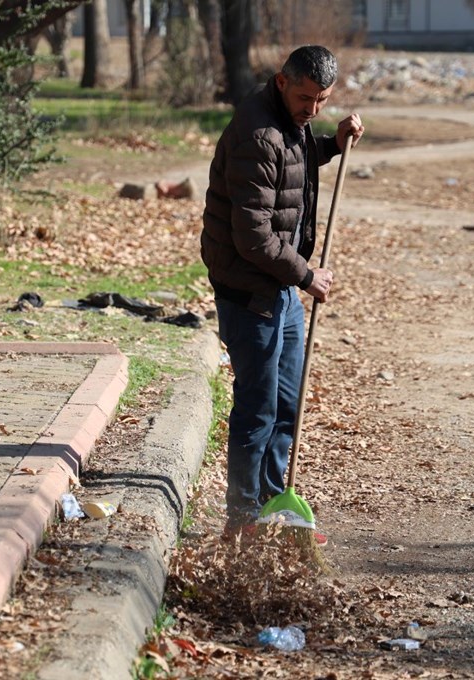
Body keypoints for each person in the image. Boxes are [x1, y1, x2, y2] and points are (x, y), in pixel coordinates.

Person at [201, 45, 364, 544]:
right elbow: (252, 236)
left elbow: (294, 166)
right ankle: (242, 518)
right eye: (305, 98)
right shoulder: (256, 134)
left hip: (281, 288)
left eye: (323, 100)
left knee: (287, 404)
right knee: (258, 407)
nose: (311, 109)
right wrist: (305, 274)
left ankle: (276, 500)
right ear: (280, 82)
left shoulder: (288, 121)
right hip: (251, 290)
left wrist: (332, 143)